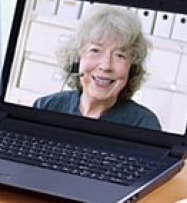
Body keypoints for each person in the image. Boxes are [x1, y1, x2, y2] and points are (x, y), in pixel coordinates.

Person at [33, 7, 161, 131]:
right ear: (76, 60)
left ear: (131, 69)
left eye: (120, 55)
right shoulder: (46, 106)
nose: (106, 66)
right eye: (95, 50)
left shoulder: (144, 123)